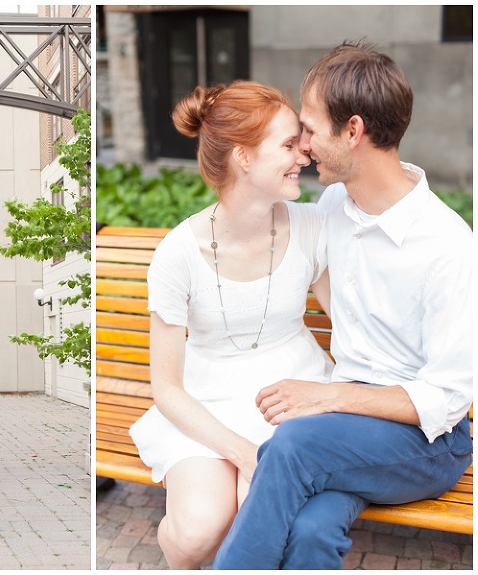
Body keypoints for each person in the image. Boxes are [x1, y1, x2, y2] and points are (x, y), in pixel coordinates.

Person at [213, 41, 473, 570]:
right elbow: (267, 229)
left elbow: (445, 401)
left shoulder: (448, 247)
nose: (303, 147)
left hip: (428, 443)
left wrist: (328, 396)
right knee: (310, 530)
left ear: (353, 131)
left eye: (309, 130)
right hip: (349, 431)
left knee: (291, 446)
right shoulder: (335, 204)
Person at [128, 80, 336, 569]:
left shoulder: (311, 227)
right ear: (243, 157)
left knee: (259, 516)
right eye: (288, 145)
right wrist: (243, 452)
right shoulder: (178, 254)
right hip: (207, 403)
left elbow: (349, 331)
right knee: (198, 531)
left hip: (294, 395)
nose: (303, 154)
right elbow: (167, 388)